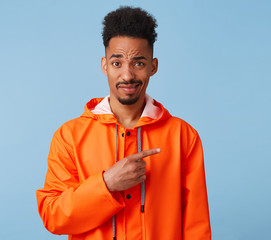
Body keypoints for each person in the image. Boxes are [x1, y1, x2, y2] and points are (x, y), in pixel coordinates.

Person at [36, 6, 211, 240]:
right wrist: (106, 184)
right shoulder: (69, 136)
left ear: (153, 66)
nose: (127, 75)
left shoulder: (183, 136)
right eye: (117, 63)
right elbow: (53, 216)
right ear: (105, 65)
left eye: (138, 63)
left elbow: (196, 228)